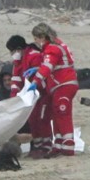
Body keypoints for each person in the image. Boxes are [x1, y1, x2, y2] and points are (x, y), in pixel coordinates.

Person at [29, 23, 79, 157]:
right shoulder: (58, 45)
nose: (36, 42)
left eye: (36, 38)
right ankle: (59, 144)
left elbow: (47, 67)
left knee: (62, 113)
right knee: (57, 113)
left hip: (64, 84)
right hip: (61, 85)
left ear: (42, 37)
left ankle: (68, 145)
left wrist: (35, 81)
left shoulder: (52, 49)